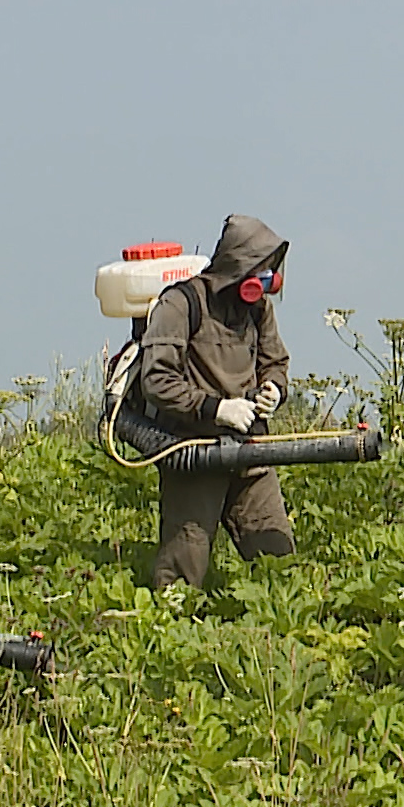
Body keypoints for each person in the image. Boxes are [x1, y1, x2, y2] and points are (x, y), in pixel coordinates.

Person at [135, 214, 295, 590]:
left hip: (251, 450)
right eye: (260, 269)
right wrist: (216, 409)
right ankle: (168, 634)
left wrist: (274, 388)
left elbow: (276, 362)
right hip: (196, 449)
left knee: (277, 559)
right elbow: (157, 379)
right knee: (183, 568)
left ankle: (282, 634)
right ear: (238, 266)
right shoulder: (180, 305)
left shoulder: (259, 309)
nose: (266, 279)